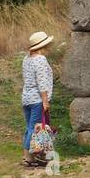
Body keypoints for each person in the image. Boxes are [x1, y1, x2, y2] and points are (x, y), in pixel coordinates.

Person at [21, 31, 55, 167]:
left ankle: (29, 156)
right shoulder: (40, 60)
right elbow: (42, 83)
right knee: (34, 127)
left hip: (26, 98)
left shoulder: (26, 59)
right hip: (37, 99)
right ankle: (28, 157)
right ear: (42, 46)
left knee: (29, 127)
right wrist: (45, 101)